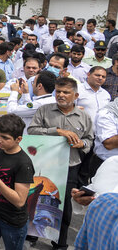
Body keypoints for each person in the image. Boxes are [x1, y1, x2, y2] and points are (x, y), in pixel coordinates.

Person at [28, 77, 94, 249]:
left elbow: (89, 139)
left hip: (70, 167)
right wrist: (57, 132)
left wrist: (82, 144)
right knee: (35, 201)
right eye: (58, 91)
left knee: (63, 207)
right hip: (45, 165)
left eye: (66, 92)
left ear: (76, 95)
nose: (61, 95)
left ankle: (60, 243)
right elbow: (32, 131)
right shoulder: (44, 110)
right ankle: (31, 236)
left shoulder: (84, 117)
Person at [0, 114, 34, 250]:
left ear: (18, 139)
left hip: (12, 221)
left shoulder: (24, 163)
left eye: (5, 138)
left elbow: (19, 201)